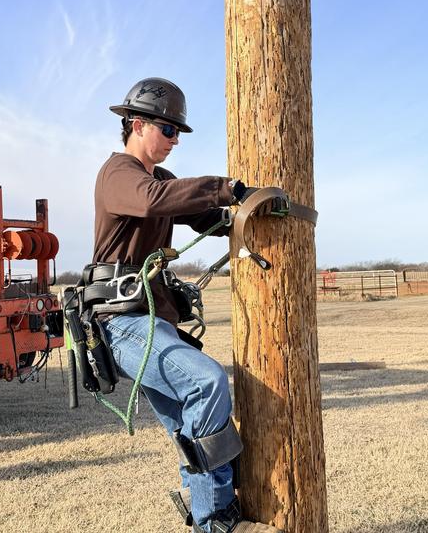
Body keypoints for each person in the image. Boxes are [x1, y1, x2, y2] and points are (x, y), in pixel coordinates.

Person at [89, 77, 281, 533]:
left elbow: (206, 218)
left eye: (178, 133)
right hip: (124, 322)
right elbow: (154, 201)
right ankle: (215, 521)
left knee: (186, 426)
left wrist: (247, 209)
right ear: (137, 124)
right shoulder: (119, 174)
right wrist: (226, 186)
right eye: (168, 130)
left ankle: (205, 516)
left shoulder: (162, 181)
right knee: (207, 383)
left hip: (152, 321)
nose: (174, 141)